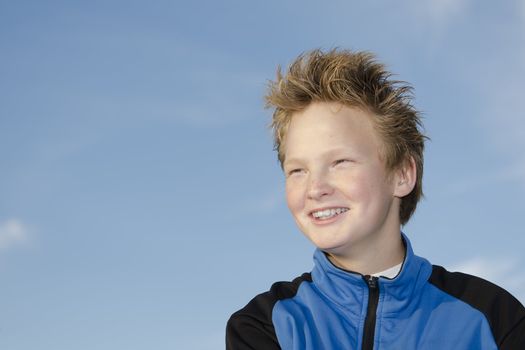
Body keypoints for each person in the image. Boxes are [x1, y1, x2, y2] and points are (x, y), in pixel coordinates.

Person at [225, 49, 525, 349]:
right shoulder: (266, 324)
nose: (315, 188)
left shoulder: (494, 317)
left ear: (402, 174)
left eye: (340, 162)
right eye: (297, 170)